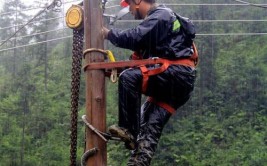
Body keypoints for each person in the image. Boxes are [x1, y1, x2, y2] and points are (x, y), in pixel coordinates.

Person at [102, 0, 198, 165]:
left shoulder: (161, 15)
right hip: (178, 82)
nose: (130, 11)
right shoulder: (156, 28)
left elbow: (134, 38)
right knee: (147, 127)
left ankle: (128, 129)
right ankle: (138, 161)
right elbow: (140, 59)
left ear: (138, 1)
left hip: (176, 75)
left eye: (130, 5)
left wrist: (107, 34)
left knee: (128, 78)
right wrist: (116, 69)